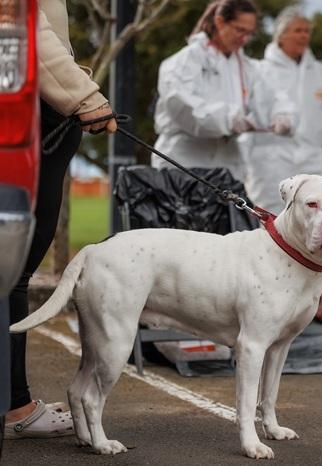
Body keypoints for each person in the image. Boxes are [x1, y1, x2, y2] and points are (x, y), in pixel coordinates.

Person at [5, 0, 117, 439]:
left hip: (32, 110)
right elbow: (17, 23)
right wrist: (84, 96)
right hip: (25, 112)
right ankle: (14, 407)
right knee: (8, 272)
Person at [242, 6, 322, 214]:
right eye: (297, 30)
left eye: (307, 31)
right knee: (269, 224)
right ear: (281, 36)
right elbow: (246, 121)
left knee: (314, 225)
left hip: (313, 164)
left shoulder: (321, 77)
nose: (304, 35)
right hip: (269, 165)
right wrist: (241, 164)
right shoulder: (260, 72)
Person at [152, 0, 294, 180]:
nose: (244, 39)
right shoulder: (184, 61)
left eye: (249, 33)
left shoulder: (247, 67)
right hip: (183, 163)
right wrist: (229, 119)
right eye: (239, 30)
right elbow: (181, 104)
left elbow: (273, 95)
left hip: (228, 166)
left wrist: (282, 115)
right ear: (219, 22)